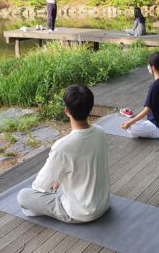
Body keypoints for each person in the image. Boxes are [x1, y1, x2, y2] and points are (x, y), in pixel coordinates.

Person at [17, 85, 109, 223]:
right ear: (90, 108)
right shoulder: (101, 132)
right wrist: (58, 178)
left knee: (23, 196)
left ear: (66, 110)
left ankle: (41, 211)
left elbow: (39, 186)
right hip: (103, 204)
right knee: (58, 182)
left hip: (80, 212)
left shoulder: (62, 146)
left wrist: (56, 178)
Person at [120, 52, 159, 138]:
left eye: (149, 65)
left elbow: (146, 110)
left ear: (153, 67)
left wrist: (129, 122)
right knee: (136, 124)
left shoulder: (154, 86)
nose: (148, 67)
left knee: (131, 128)